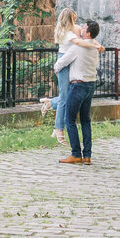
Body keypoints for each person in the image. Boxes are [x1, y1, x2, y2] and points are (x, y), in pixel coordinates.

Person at [39, 9, 103, 146]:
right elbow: (81, 43)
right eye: (74, 15)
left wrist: (97, 44)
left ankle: (50, 103)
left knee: (67, 96)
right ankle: (59, 129)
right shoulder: (66, 32)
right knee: (64, 96)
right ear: (70, 17)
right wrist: (96, 46)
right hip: (64, 60)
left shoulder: (78, 28)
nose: (76, 17)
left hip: (73, 58)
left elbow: (88, 37)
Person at [54, 20, 101, 166]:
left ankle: (75, 154)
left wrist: (56, 69)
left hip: (78, 85)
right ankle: (87, 155)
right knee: (85, 120)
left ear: (87, 33)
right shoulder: (95, 47)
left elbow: (62, 62)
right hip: (90, 84)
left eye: (84, 28)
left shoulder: (77, 47)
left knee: (70, 120)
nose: (81, 28)